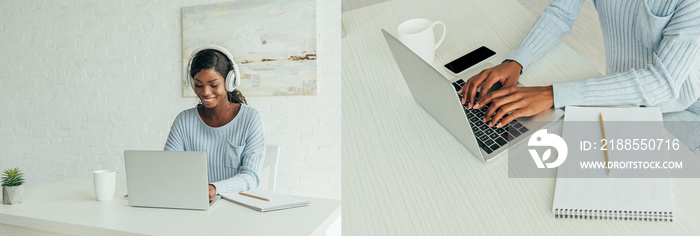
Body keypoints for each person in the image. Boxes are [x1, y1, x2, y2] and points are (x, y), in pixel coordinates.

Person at [458, 0, 700, 153]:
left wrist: (552, 94)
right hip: (622, 95)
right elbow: (561, 12)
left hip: (681, 108)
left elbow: (662, 82)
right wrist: (517, 60)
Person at [165, 46, 265, 198]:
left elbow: (251, 177)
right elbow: (168, 169)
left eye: (213, 85)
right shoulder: (184, 121)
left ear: (229, 81)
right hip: (194, 203)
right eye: (199, 85)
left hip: (235, 206)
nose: (205, 92)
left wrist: (214, 188)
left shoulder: (250, 118)